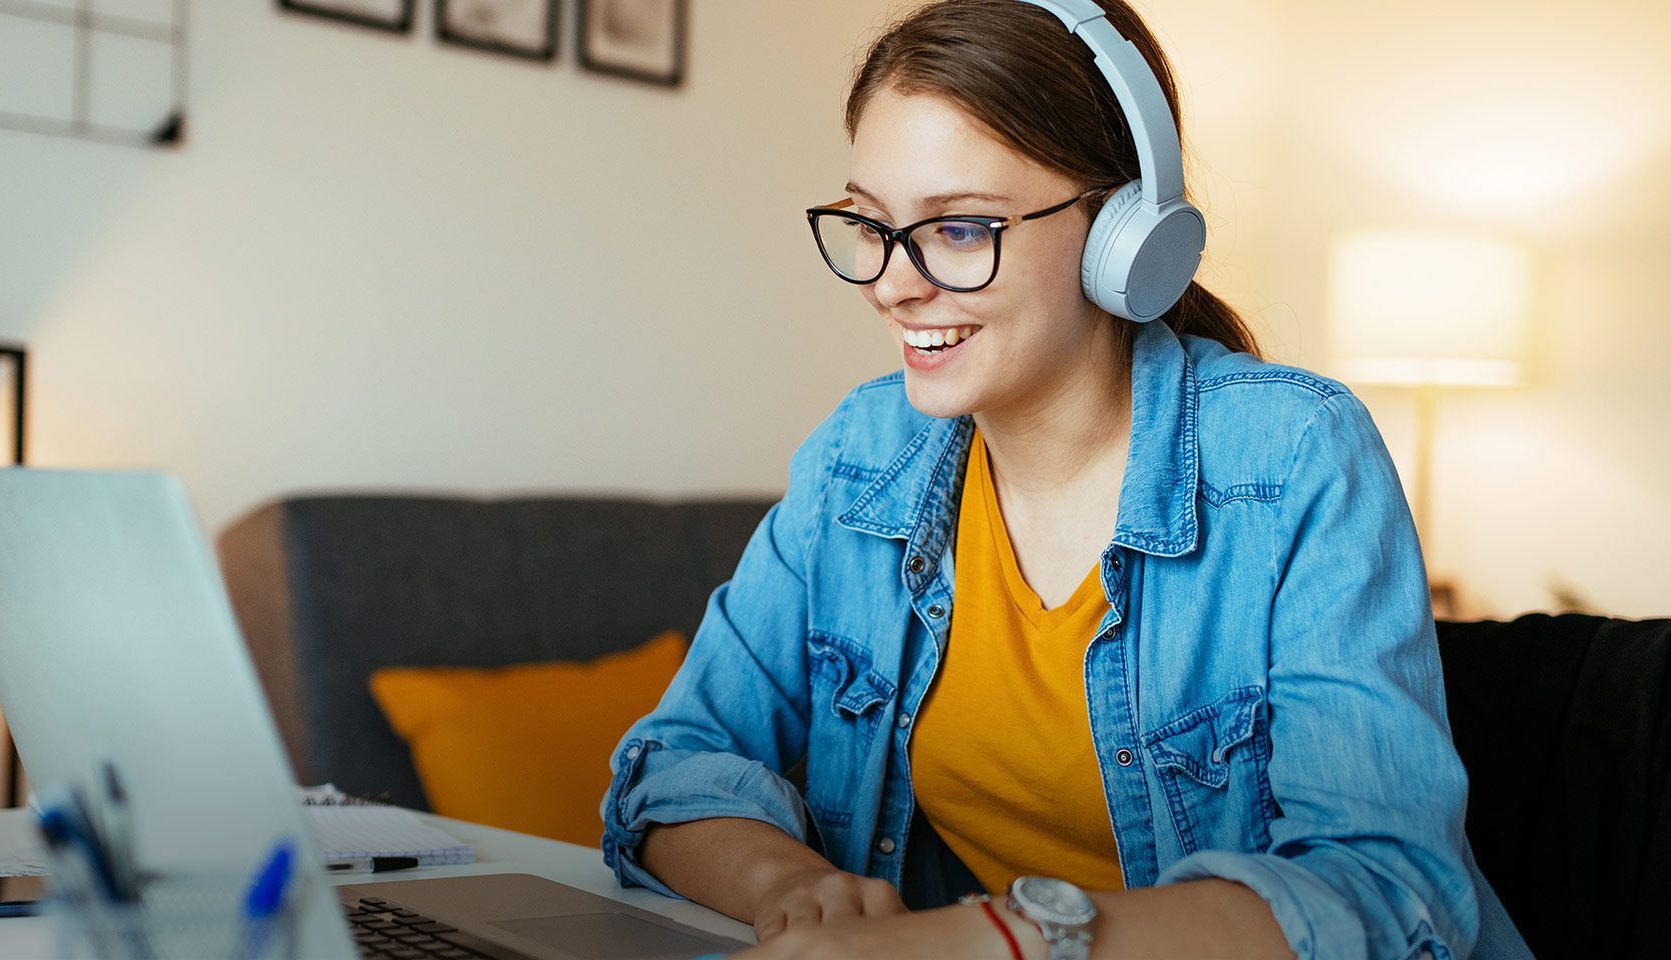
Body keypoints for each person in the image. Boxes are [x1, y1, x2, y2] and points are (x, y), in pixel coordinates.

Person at [600, 1, 1531, 957]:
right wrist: (799, 891)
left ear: (1126, 234)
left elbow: (1388, 890)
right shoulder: (860, 453)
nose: (892, 284)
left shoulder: (1294, 455)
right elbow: (674, 763)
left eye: (960, 229)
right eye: (873, 225)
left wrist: (1001, 941)